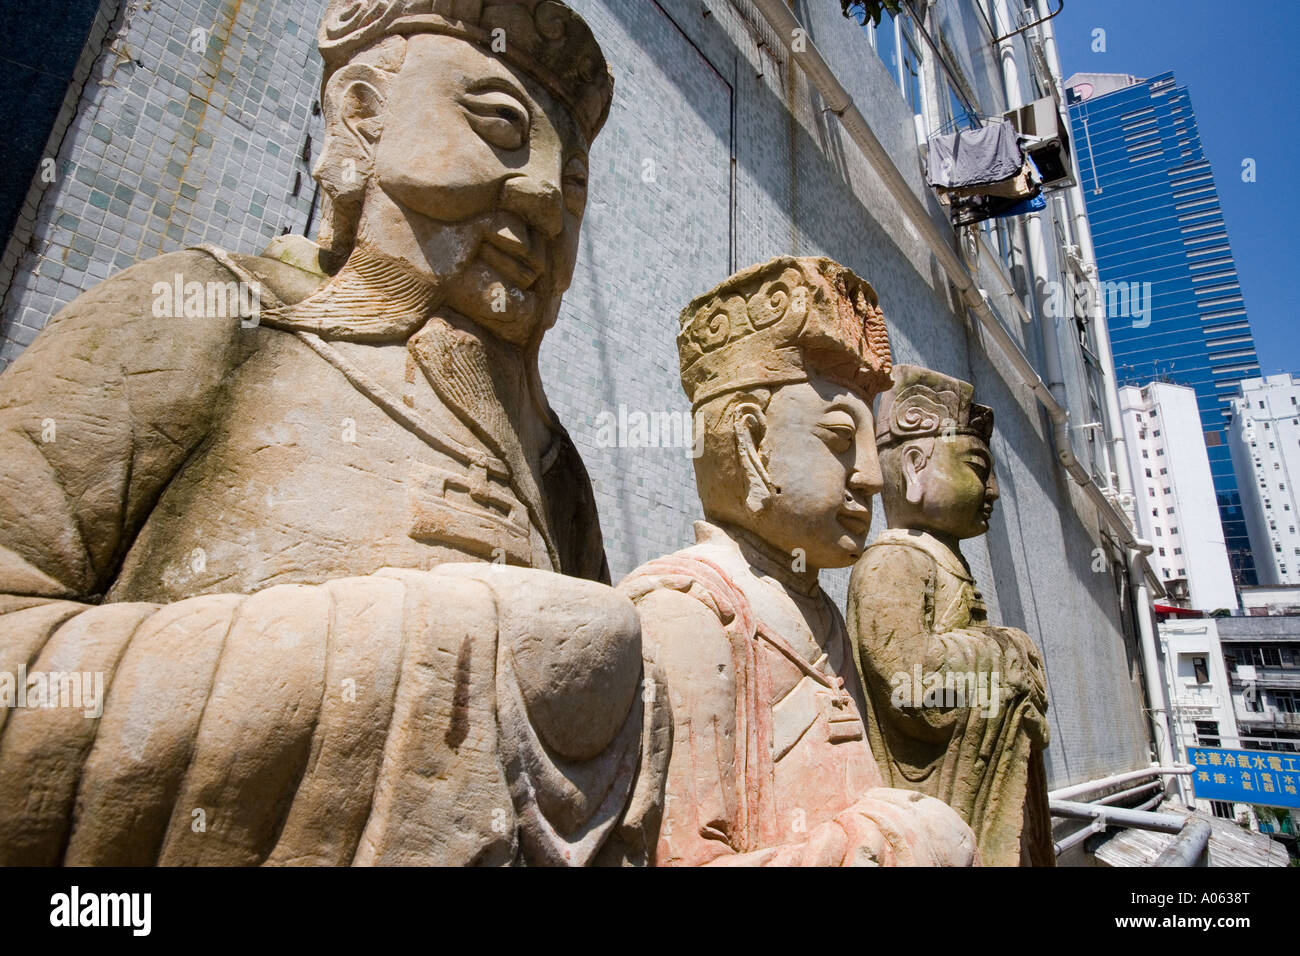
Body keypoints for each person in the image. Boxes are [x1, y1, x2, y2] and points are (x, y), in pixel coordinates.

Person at [0, 0, 668, 866]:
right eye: (499, 125)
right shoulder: (203, 324)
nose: (544, 195)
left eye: (574, 184)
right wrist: (425, 654)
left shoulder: (552, 467)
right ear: (363, 112)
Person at [619, 257, 979, 866]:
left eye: (871, 445)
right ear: (750, 442)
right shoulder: (688, 616)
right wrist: (888, 845)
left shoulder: (819, 614)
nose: (869, 476)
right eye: (841, 439)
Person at [847, 365, 1053, 866]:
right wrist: (1008, 652)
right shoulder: (892, 562)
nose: (994, 491)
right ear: (914, 466)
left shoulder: (939, 562)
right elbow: (912, 687)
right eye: (977, 468)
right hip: (931, 803)